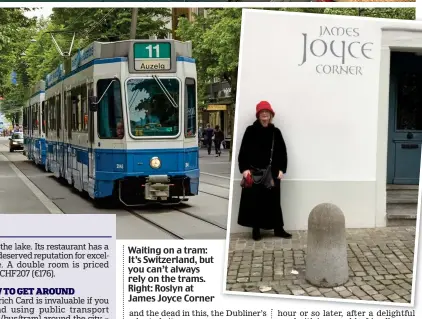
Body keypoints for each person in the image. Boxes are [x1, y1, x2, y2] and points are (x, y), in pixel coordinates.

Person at [237, 101, 292, 241]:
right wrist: (244, 169)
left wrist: (281, 169)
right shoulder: (250, 130)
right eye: (262, 112)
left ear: (271, 115)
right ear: (258, 115)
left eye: (267, 112)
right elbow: (243, 151)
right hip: (254, 172)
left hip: (272, 173)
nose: (265, 114)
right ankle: (256, 230)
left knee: (274, 201)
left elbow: (282, 152)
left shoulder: (275, 132)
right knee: (255, 202)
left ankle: (278, 228)